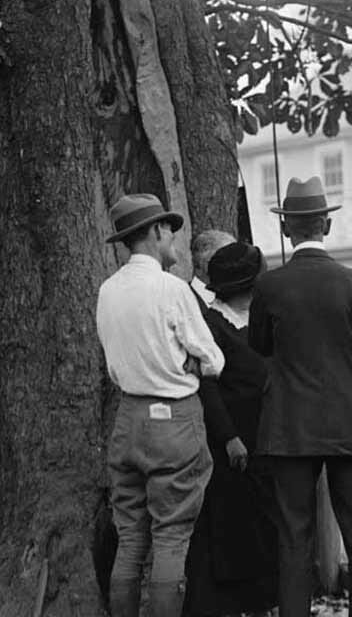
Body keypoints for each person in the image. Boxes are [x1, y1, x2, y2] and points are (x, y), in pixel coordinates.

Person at [248, 176, 352, 617]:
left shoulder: (270, 286)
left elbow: (259, 347)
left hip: (290, 427)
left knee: (294, 535)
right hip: (350, 424)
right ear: (325, 227)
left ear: (287, 229)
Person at [96, 193, 225, 617]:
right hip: (173, 419)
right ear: (155, 232)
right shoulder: (172, 289)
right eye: (170, 229)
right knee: (171, 535)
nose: (174, 238)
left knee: (131, 536)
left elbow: (116, 365)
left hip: (129, 417)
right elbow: (214, 360)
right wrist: (186, 360)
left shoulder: (108, 290)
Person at [185, 241, 278, 617]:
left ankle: (262, 604)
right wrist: (228, 437)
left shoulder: (263, 319)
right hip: (231, 443)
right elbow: (207, 387)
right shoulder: (211, 324)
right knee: (232, 526)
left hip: (269, 437)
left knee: (265, 524)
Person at [190, 230, 236, 308]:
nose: (234, 267)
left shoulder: (236, 301)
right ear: (200, 264)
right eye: (226, 260)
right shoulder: (182, 298)